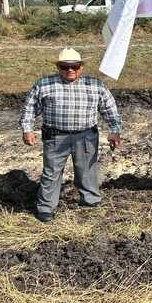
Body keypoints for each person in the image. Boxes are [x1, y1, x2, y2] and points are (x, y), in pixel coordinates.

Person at [20, 48, 122, 223]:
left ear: (81, 67)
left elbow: (110, 110)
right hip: (55, 137)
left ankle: (90, 202)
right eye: (64, 66)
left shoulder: (95, 85)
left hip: (86, 136)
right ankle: (46, 209)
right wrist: (27, 129)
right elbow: (29, 108)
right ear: (58, 67)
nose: (70, 70)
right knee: (51, 172)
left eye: (74, 66)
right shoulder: (44, 84)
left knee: (87, 171)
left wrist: (114, 131)